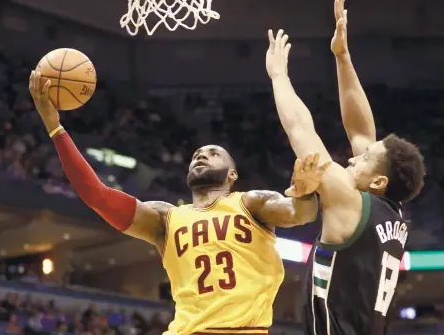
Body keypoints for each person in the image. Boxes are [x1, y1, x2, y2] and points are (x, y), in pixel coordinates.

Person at [28, 71, 329, 335]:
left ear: (232, 174)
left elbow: (300, 214)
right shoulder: (164, 218)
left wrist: (304, 191)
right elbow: (96, 195)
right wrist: (55, 129)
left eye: (213, 153)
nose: (201, 155)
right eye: (197, 154)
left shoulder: (251, 203)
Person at [266, 0, 426, 335]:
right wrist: (342, 56)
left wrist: (279, 77)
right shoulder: (392, 215)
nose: (354, 157)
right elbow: (361, 131)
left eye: (363, 160)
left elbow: (300, 130)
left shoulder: (351, 201)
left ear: (379, 182)